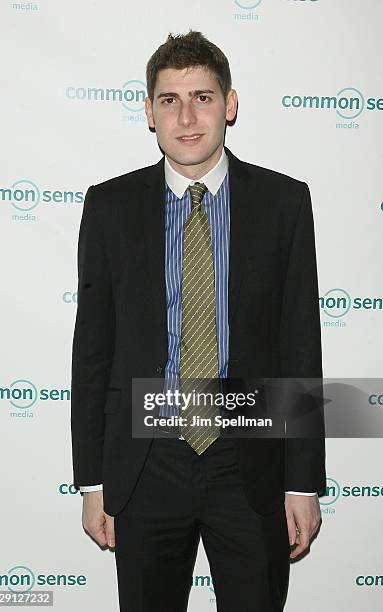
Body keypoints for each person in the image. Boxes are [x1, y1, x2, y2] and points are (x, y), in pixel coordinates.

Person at [70, 30, 326, 612]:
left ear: (229, 104)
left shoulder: (284, 203)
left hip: (252, 465)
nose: (186, 116)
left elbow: (299, 346)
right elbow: (93, 352)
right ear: (149, 112)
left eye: (203, 97)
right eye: (169, 99)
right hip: (144, 467)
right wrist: (92, 481)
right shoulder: (109, 206)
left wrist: (303, 481)